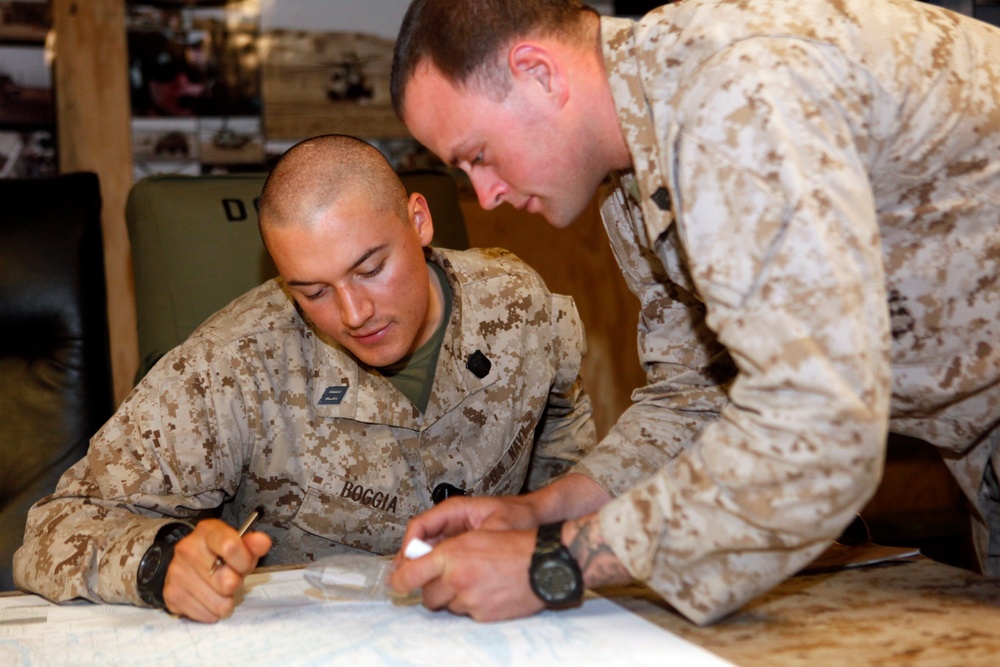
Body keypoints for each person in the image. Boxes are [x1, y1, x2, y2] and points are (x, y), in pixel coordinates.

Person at [386, 0, 1000, 625]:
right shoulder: (633, 177)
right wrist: (544, 513)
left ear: (539, 73)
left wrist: (557, 562)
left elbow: (813, 423)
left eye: (478, 154)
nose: (485, 194)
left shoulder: (729, 99)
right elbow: (697, 395)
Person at [13, 134, 596, 623]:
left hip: (494, 626)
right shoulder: (233, 365)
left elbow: (573, 465)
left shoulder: (520, 308)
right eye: (312, 291)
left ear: (418, 220)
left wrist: (546, 539)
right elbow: (51, 531)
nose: (353, 313)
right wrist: (162, 561)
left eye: (371, 269)